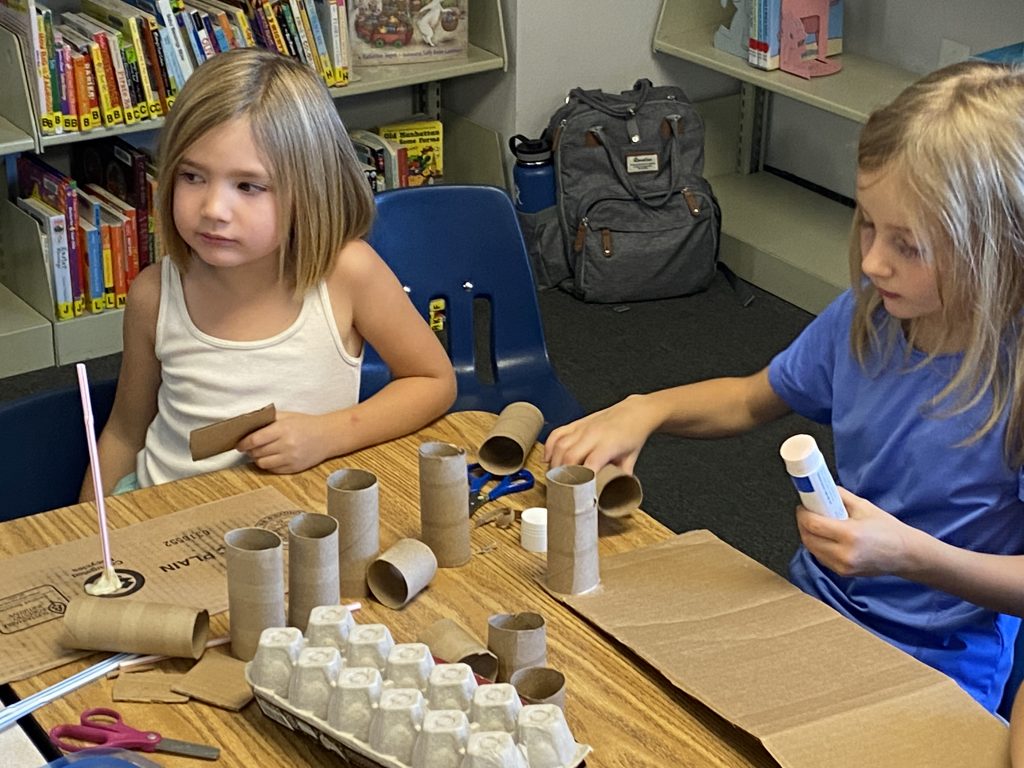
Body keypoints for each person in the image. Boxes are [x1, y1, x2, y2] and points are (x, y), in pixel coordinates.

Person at [545, 60, 1024, 715]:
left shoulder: (1013, 378)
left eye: (907, 245)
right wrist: (645, 409)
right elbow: (748, 399)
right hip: (811, 616)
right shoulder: (867, 316)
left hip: (936, 675)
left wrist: (910, 556)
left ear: (997, 248)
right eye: (867, 224)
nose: (874, 260)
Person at [81, 48, 456, 499]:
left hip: (293, 524)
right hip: (164, 519)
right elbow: (124, 432)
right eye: (192, 176)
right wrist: (87, 542)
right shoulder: (155, 293)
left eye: (249, 186)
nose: (214, 210)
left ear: (310, 190)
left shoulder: (347, 274)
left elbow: (433, 381)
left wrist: (328, 434)